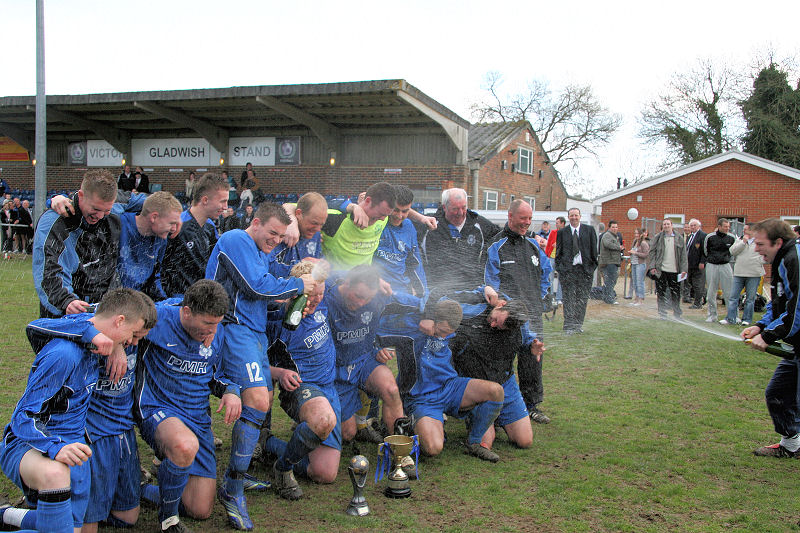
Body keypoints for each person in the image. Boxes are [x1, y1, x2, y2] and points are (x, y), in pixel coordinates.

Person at [0, 289, 148, 533]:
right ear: (119, 320)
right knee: (60, 517)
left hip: (75, 445)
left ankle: (9, 516)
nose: (132, 343)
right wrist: (55, 447)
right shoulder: (64, 355)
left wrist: (107, 340)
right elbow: (22, 416)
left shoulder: (94, 344)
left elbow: (91, 316)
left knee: (71, 529)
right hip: (37, 444)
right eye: (132, 335)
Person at [205, 202, 312, 529]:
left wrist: (288, 303)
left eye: (281, 236)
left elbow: (261, 290)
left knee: (260, 400)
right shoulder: (236, 238)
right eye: (272, 234)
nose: (276, 241)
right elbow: (256, 286)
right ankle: (232, 489)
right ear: (255, 223)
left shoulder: (259, 249)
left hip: (251, 332)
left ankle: (236, 474)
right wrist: (298, 286)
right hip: (232, 328)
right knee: (258, 400)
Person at [136, 280, 242, 533]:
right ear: (186, 312)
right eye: (207, 324)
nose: (212, 331)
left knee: (199, 509)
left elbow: (216, 374)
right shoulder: (158, 317)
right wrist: (117, 346)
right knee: (184, 444)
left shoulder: (215, 331)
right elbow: (108, 319)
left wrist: (231, 391)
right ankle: (168, 521)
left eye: (217, 324)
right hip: (158, 408)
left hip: (197, 418)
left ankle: (137, 490)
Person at [262, 261, 340, 499]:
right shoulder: (279, 320)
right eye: (310, 294)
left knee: (324, 473)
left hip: (330, 388)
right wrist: (279, 373)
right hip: (301, 388)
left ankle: (269, 444)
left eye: (321, 293)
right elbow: (253, 362)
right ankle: (282, 468)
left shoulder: (323, 302)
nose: (316, 299)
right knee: (323, 419)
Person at [403, 299, 504, 462]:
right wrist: (426, 316)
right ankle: (416, 423)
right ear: (433, 319)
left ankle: (474, 443)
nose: (443, 336)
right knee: (433, 448)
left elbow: (478, 303)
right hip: (423, 397)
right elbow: (427, 293)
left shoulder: (456, 328)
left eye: (448, 332)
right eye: (441, 330)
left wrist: (492, 297)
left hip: (451, 387)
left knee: (496, 391)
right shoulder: (414, 327)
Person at [326, 265, 412, 443]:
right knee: (348, 434)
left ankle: (400, 452)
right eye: (358, 296)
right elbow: (321, 270)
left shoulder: (378, 295)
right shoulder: (326, 298)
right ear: (347, 282)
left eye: (368, 298)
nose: (361, 303)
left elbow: (407, 301)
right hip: (335, 371)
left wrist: (377, 347)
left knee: (391, 389)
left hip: (364, 361)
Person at [484, 200, 551, 423]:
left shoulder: (533, 246)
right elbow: (489, 281)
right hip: (506, 316)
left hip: (532, 313)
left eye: (530, 218)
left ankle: (532, 404)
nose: (527, 223)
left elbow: (546, 274)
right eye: (523, 218)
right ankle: (495, 403)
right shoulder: (496, 245)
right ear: (510, 216)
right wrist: (501, 305)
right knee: (501, 360)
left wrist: (538, 299)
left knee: (532, 358)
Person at [451, 299, 543, 451]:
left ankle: (496, 416)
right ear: (501, 305)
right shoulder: (474, 310)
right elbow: (447, 306)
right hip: (478, 385)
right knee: (486, 442)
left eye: (500, 326)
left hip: (505, 382)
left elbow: (527, 340)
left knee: (524, 441)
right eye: (494, 320)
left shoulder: (518, 323)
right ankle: (479, 417)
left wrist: (531, 347)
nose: (493, 325)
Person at [742, 219, 800, 458]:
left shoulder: (792, 259)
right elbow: (780, 302)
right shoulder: (780, 260)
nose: (756, 249)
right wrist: (760, 325)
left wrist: (769, 335)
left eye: (761, 244)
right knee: (777, 393)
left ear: (778, 242)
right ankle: (791, 445)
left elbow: (798, 308)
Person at [33, 169, 123, 318]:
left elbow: (148, 204)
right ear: (81, 196)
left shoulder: (111, 215)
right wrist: (66, 301)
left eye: (107, 210)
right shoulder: (55, 222)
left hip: (104, 314)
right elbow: (48, 271)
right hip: (66, 316)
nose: (100, 216)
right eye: (95, 209)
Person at [419, 187, 500, 293]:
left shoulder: (480, 225)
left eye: (463, 207)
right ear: (444, 207)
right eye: (455, 209)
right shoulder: (429, 225)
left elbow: (502, 239)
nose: (460, 213)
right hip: (436, 291)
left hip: (471, 292)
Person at [161, 173, 228, 298]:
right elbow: (160, 266)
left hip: (200, 300)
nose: (226, 207)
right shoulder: (177, 226)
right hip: (177, 301)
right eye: (223, 202)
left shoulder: (210, 227)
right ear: (205, 200)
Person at [118, 191, 182, 301]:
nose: (174, 229)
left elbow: (154, 277)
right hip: (114, 300)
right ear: (154, 217)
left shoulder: (160, 238)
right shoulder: (119, 224)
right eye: (172, 223)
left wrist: (163, 301)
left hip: (138, 301)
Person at [555, 207, 598, 334]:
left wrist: (591, 268)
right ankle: (568, 326)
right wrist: (561, 269)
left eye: (576, 215)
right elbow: (559, 253)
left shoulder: (589, 230)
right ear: (568, 217)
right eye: (571, 215)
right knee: (568, 299)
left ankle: (578, 325)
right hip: (568, 271)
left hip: (585, 271)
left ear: (580, 216)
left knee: (582, 299)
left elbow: (594, 252)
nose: (574, 218)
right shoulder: (562, 232)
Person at [270, 192, 327, 278]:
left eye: (321, 224)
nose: (318, 229)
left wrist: (324, 264)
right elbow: (267, 268)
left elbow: (317, 260)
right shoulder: (282, 233)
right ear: (298, 214)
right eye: (314, 223)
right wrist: (301, 266)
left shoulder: (316, 235)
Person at [721, 224, 765, 326]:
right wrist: (743, 242)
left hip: (754, 274)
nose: (744, 231)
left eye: (746, 230)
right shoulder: (740, 240)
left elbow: (765, 256)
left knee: (750, 299)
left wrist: (758, 261)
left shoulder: (760, 242)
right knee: (733, 297)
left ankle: (747, 319)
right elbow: (732, 251)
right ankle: (730, 318)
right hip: (739, 273)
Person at [647, 219, 688, 319]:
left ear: (672, 225)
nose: (666, 226)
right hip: (661, 271)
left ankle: (677, 314)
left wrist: (684, 269)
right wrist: (652, 267)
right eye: (664, 224)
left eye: (668, 224)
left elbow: (683, 255)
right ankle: (662, 314)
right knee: (661, 293)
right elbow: (652, 253)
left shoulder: (679, 238)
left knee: (676, 294)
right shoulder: (658, 238)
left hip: (675, 271)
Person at [703, 218, 735, 322]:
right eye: (725, 226)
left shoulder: (731, 238)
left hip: (725, 265)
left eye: (728, 227)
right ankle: (712, 315)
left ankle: (732, 316)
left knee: (729, 292)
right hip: (712, 265)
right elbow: (706, 251)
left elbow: (732, 251)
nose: (727, 228)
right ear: (719, 226)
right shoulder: (710, 237)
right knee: (711, 292)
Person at [683, 219, 707, 308]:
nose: (692, 227)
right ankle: (702, 296)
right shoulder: (690, 236)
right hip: (690, 264)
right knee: (691, 283)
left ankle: (698, 303)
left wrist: (702, 262)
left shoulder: (703, 236)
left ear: (699, 226)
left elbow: (705, 250)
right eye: (691, 225)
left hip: (698, 265)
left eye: (694, 225)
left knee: (698, 284)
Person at [598, 220, 623, 305]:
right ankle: (609, 299)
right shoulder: (607, 235)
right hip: (609, 262)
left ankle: (606, 297)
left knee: (610, 281)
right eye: (613, 227)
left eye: (616, 227)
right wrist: (618, 247)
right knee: (610, 281)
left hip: (613, 262)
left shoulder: (614, 236)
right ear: (609, 227)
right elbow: (607, 244)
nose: (615, 229)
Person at [544, 216, 565, 305]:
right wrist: (547, 255)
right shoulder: (553, 232)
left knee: (560, 279)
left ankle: (559, 298)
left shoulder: (566, 233)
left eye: (557, 223)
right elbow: (549, 244)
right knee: (551, 278)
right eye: (556, 223)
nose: (556, 224)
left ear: (562, 223)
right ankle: (552, 297)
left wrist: (559, 245)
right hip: (552, 257)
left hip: (561, 258)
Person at [628, 228, 650, 305]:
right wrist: (631, 252)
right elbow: (633, 251)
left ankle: (640, 299)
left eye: (638, 233)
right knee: (635, 282)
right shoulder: (635, 241)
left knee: (639, 282)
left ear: (641, 234)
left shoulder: (644, 243)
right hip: (634, 263)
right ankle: (636, 298)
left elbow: (646, 255)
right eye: (635, 233)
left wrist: (635, 253)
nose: (636, 235)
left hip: (640, 264)